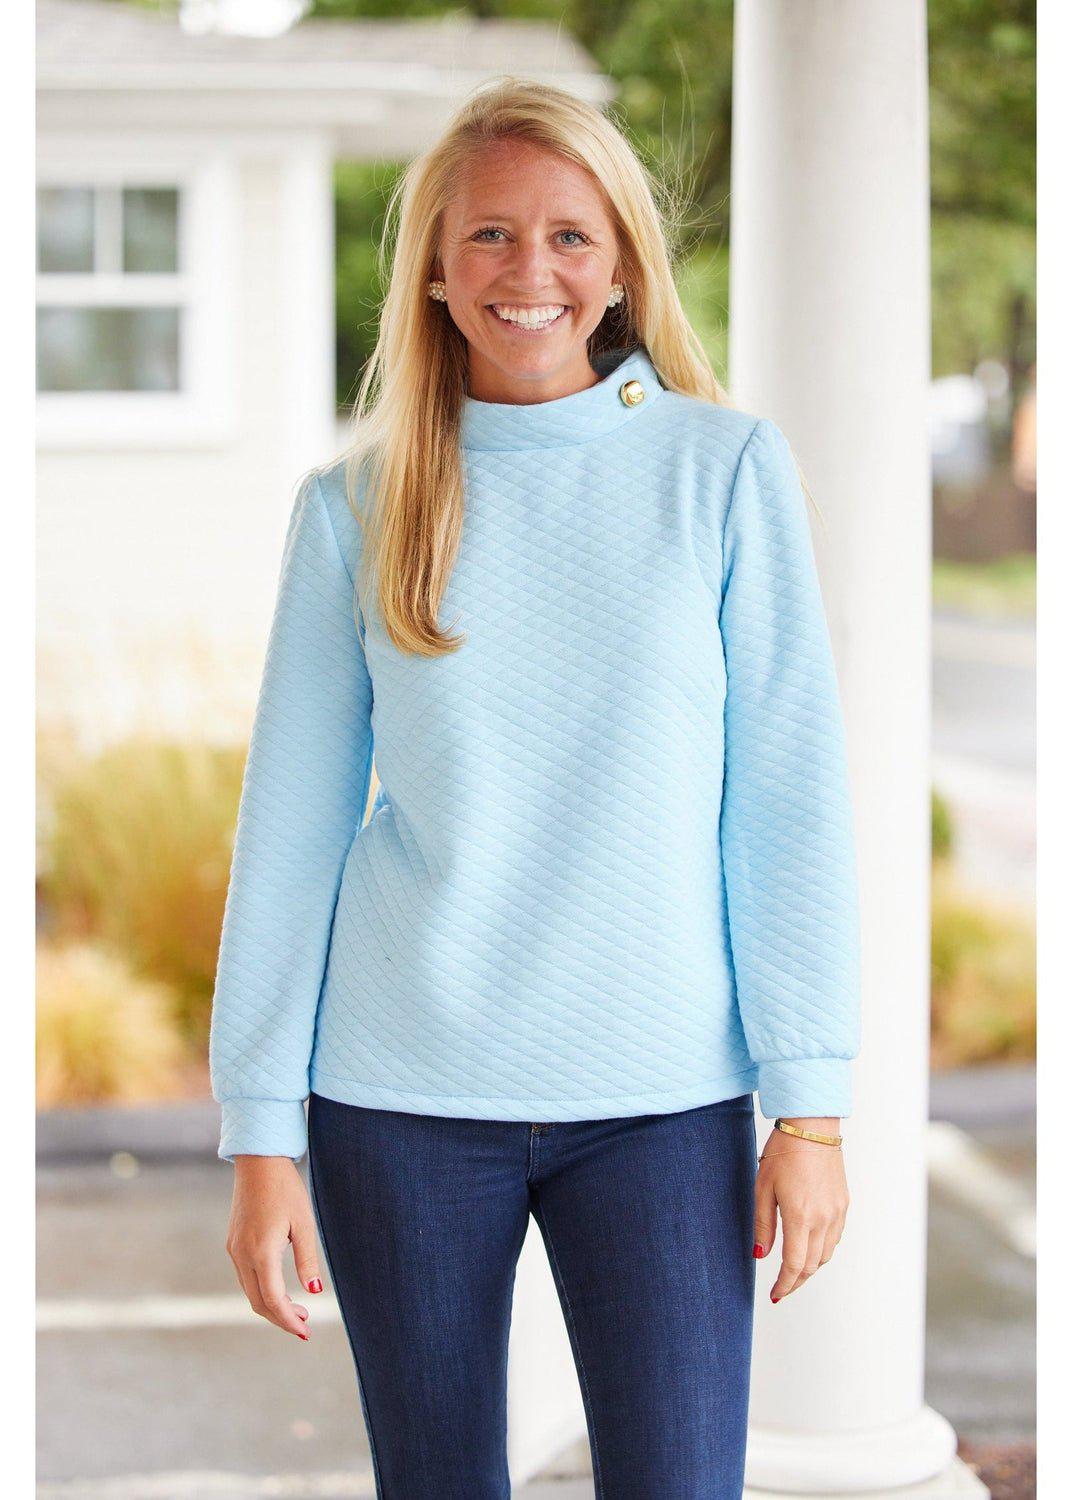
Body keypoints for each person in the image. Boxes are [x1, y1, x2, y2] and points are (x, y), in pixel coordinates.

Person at [209, 75, 862, 1500]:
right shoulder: (355, 507)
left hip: (663, 1104)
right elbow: (292, 834)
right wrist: (261, 1138)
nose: (531, 271)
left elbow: (788, 803)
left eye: (570, 235)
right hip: (398, 1101)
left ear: (621, 265)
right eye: (490, 236)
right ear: (436, 273)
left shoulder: (724, 473)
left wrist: (809, 1110)